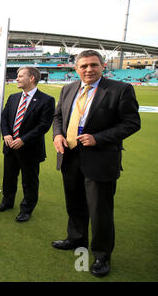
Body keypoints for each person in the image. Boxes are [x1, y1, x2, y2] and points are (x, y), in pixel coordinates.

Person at [52, 50, 140, 277]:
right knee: (75, 203)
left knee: (100, 210)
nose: (88, 70)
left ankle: (102, 255)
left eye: (93, 65)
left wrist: (98, 138)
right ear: (76, 69)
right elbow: (58, 117)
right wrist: (57, 135)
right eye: (84, 66)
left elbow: (131, 123)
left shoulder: (120, 90)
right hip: (69, 155)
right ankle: (76, 238)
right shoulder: (68, 88)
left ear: (103, 66)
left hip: (101, 159)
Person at [0, 67, 55, 222]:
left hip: (30, 149)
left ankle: (26, 209)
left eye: (20, 76)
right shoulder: (13, 97)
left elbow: (43, 126)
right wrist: (7, 134)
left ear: (32, 78)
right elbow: (4, 118)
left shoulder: (47, 100)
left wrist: (23, 140)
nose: (17, 78)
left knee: (29, 181)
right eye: (17, 76)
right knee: (9, 178)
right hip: (10, 146)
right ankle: (7, 202)